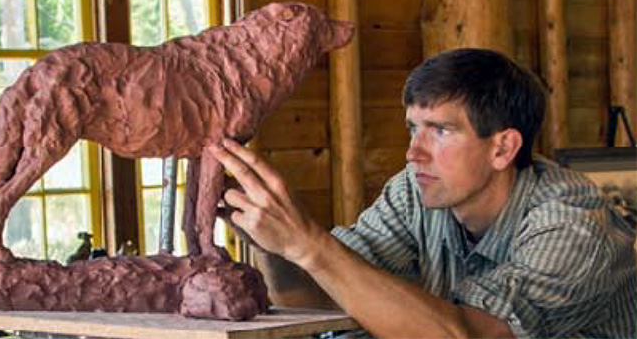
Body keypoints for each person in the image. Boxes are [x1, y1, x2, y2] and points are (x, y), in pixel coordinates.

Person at [208, 48, 637, 338]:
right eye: (414, 127)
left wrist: (310, 245)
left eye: (441, 131)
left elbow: (462, 335)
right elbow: (316, 297)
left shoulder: (574, 223)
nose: (414, 152)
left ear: (503, 147)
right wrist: (271, 245)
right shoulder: (415, 192)